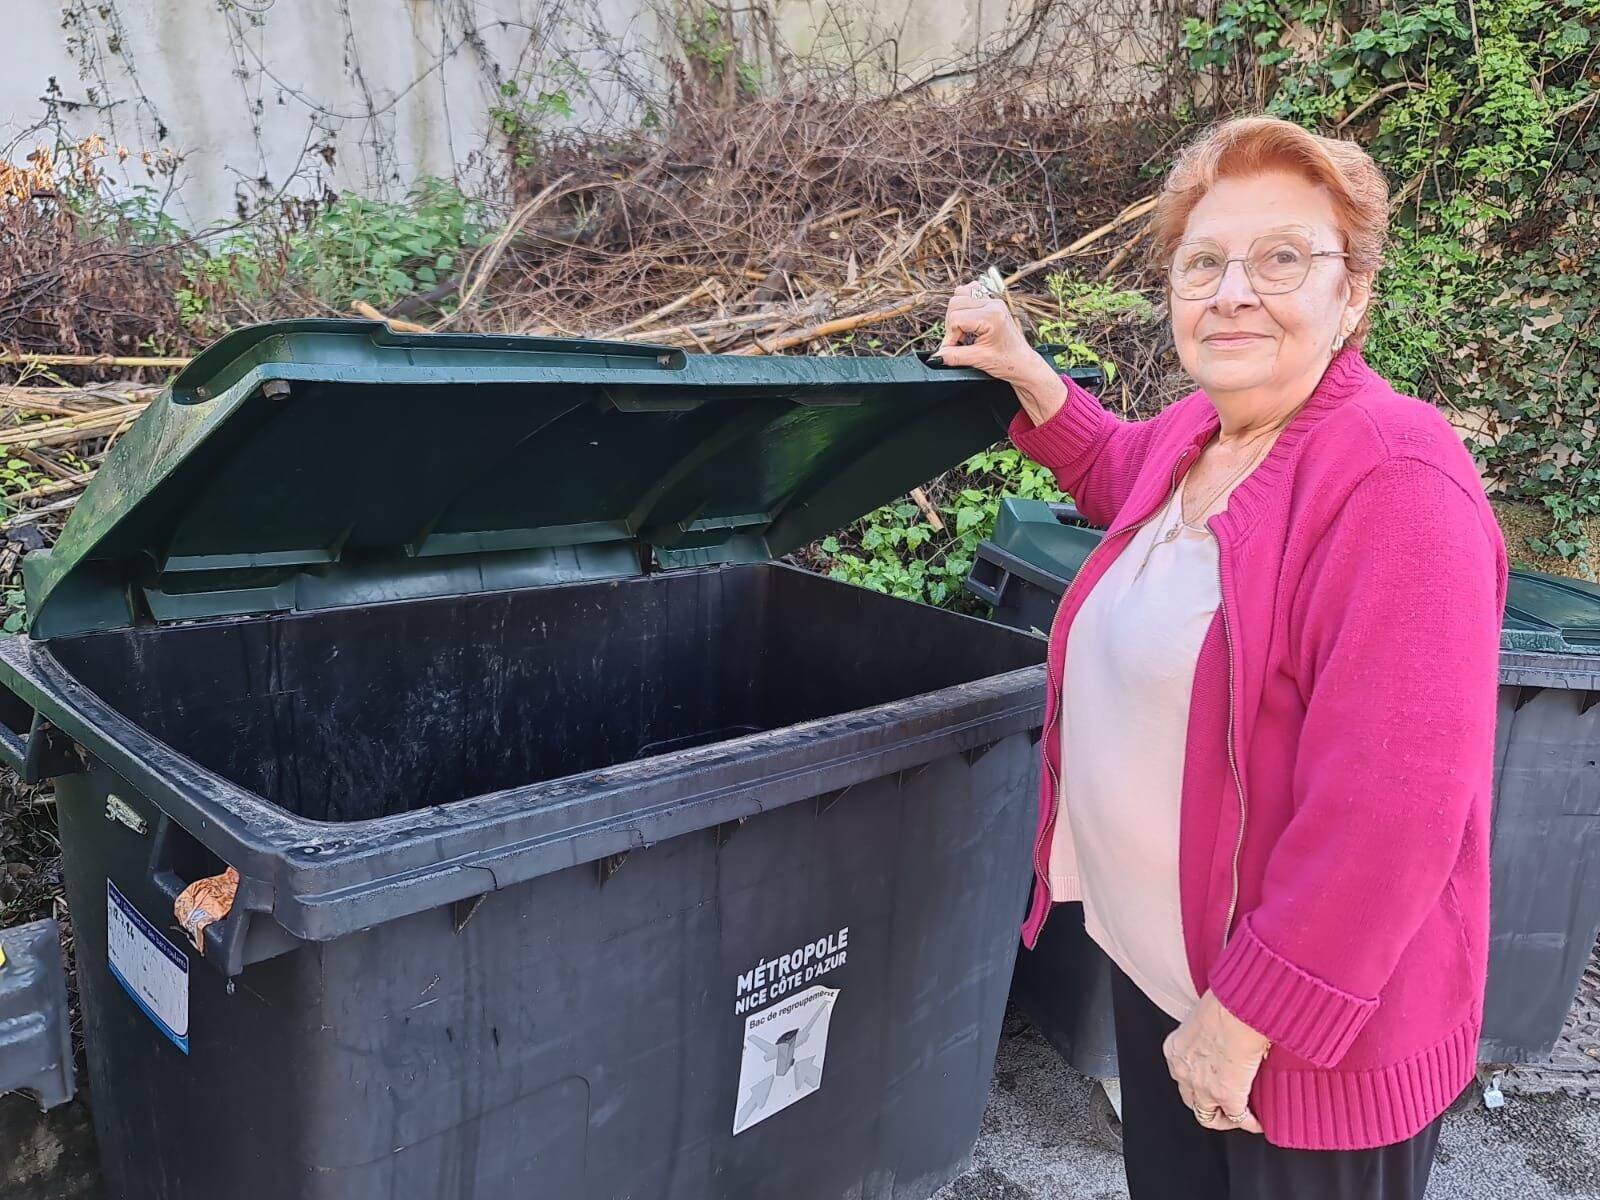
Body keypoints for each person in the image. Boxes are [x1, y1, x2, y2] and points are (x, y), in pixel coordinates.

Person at [933, 115, 1506, 1200]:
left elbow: (1393, 810)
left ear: (1354, 296)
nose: (1233, 290)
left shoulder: (1393, 481)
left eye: (1282, 257)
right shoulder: (1203, 434)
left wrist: (1248, 1017)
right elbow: (1111, 462)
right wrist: (1018, 366)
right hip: (1171, 976)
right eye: (1204, 262)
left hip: (1297, 1034)